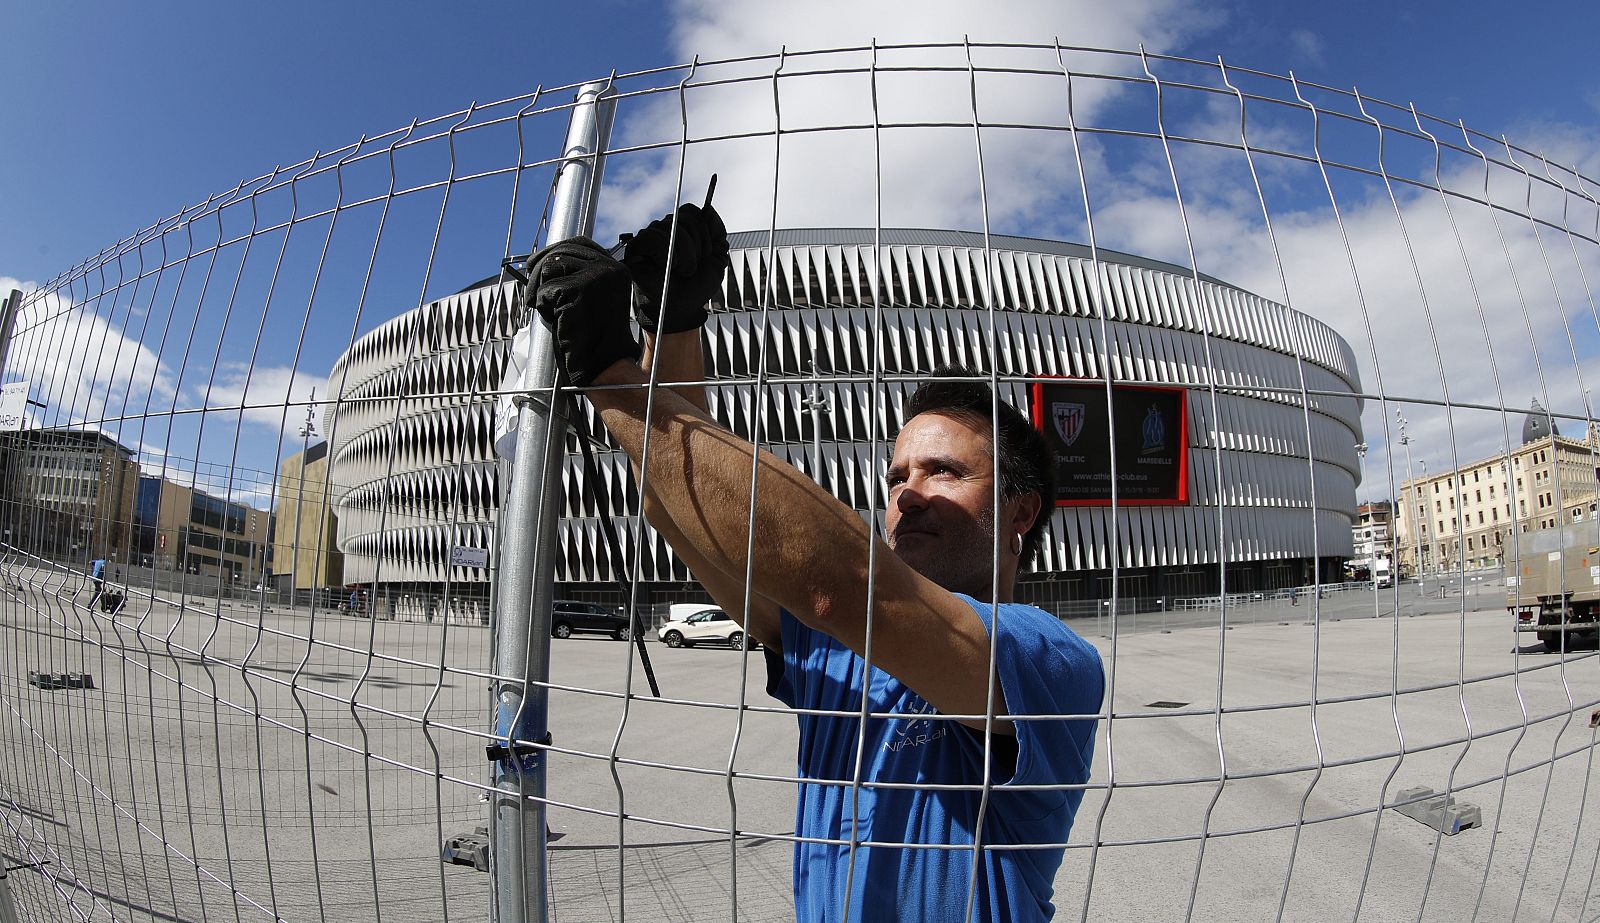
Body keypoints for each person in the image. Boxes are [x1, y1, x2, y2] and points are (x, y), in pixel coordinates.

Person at [524, 205, 1103, 922]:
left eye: (944, 472)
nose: (908, 494)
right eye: (896, 477)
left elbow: (840, 585)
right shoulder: (835, 647)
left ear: (1021, 512)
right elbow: (696, 522)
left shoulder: (1051, 657)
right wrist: (672, 325)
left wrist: (608, 372)